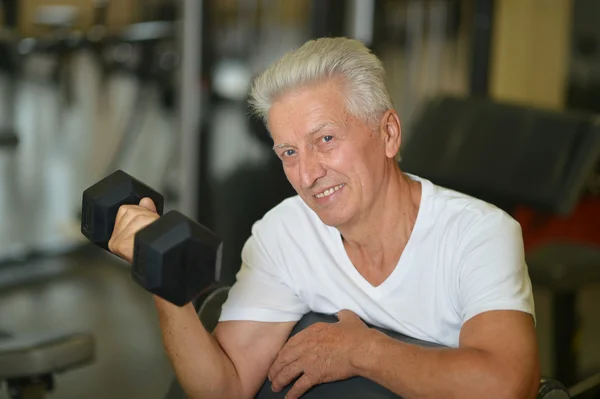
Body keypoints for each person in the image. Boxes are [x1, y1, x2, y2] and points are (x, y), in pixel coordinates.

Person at [108, 37, 540, 399]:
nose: (309, 174)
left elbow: (507, 386)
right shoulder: (283, 233)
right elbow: (225, 387)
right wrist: (165, 283)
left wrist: (363, 351)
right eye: (290, 153)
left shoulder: (478, 233)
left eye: (326, 139)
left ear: (388, 133)